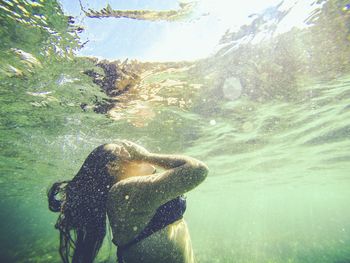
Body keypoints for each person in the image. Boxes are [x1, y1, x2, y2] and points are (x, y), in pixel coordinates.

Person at [48, 140, 209, 263]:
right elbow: (198, 170)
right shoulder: (125, 191)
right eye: (129, 152)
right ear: (113, 166)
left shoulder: (123, 195)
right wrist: (146, 157)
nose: (135, 151)